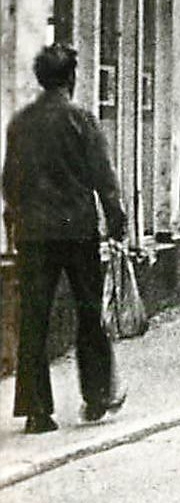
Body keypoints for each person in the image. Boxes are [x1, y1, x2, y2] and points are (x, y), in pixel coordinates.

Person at [1, 44, 128, 433]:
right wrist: (116, 219)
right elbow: (103, 177)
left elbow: (9, 183)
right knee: (89, 312)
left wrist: (19, 217)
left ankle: (37, 412)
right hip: (77, 232)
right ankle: (96, 396)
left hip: (34, 234)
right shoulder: (82, 120)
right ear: (71, 77)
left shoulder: (20, 123)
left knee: (34, 318)